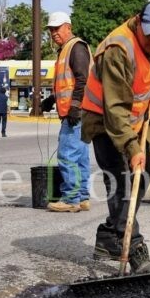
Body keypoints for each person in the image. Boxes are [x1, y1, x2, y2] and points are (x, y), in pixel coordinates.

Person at [81, 0, 150, 274]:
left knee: (141, 178)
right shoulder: (118, 49)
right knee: (123, 182)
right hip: (104, 119)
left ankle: (108, 237)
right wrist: (133, 150)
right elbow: (115, 109)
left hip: (135, 121)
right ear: (138, 21)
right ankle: (134, 249)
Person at [40, 11, 92, 213]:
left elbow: (83, 80)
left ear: (68, 27)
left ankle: (71, 198)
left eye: (57, 28)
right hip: (78, 111)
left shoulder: (76, 48)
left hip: (77, 113)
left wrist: (75, 106)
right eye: (51, 29)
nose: (53, 33)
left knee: (67, 155)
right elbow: (67, 85)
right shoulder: (65, 50)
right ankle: (82, 197)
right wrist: (51, 100)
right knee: (80, 156)